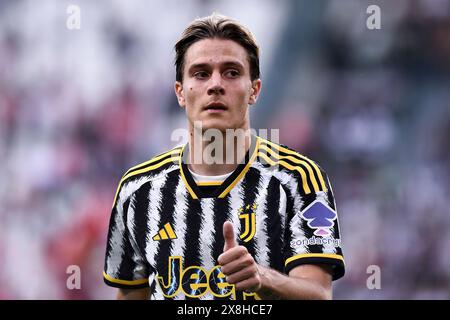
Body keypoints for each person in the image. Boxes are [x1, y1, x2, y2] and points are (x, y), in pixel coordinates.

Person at [103, 13, 345, 300]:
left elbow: (319, 294)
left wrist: (263, 278)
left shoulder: (301, 180)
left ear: (254, 89)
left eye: (231, 72)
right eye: (201, 73)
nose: (215, 84)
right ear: (180, 92)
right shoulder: (138, 190)